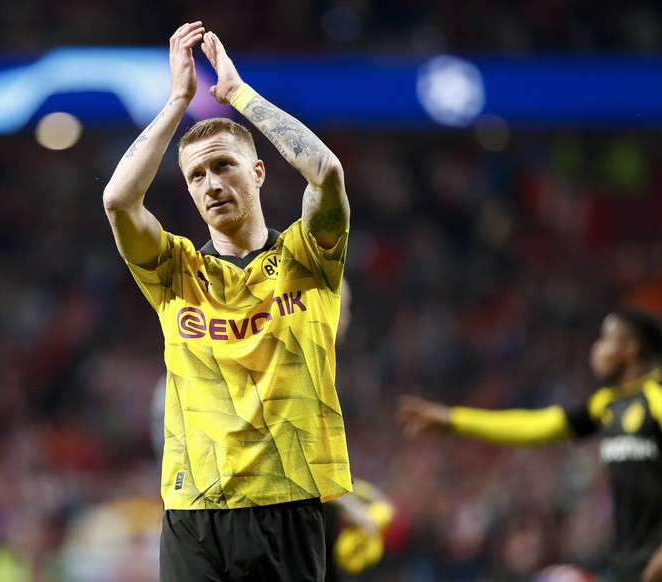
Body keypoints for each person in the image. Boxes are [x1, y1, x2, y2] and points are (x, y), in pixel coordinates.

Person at [102, 21, 353, 581]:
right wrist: (177, 102)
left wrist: (237, 95)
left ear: (258, 173)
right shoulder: (176, 273)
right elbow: (118, 200)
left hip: (285, 503)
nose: (210, 183)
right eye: (196, 176)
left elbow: (327, 172)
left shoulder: (306, 257)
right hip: (193, 511)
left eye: (223, 165)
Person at [395, 306, 662, 582]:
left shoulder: (657, 397)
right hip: (630, 559)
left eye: (606, 340)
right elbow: (535, 426)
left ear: (631, 348)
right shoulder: (604, 405)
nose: (596, 350)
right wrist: (455, 420)